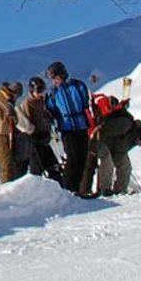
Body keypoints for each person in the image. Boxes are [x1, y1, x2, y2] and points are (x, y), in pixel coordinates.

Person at [90, 96, 141, 196]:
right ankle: (105, 190)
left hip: (115, 148)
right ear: (140, 138)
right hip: (100, 141)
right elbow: (105, 130)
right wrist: (96, 141)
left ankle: (120, 190)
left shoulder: (132, 139)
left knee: (125, 165)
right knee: (108, 162)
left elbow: (121, 147)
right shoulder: (126, 125)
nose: (139, 145)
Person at [45, 61, 95, 195]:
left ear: (62, 74)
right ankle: (68, 189)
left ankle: (78, 189)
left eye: (55, 77)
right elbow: (51, 109)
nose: (54, 81)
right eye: (52, 78)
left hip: (81, 126)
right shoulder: (53, 92)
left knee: (82, 157)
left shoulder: (78, 86)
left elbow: (86, 103)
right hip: (66, 128)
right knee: (72, 158)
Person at [15, 77, 59, 178]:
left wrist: (49, 119)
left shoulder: (43, 101)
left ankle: (56, 181)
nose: (40, 93)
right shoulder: (27, 103)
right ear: (32, 90)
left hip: (45, 138)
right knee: (37, 168)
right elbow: (27, 124)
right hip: (35, 140)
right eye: (38, 91)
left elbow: (46, 116)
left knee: (53, 166)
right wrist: (33, 133)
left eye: (42, 90)